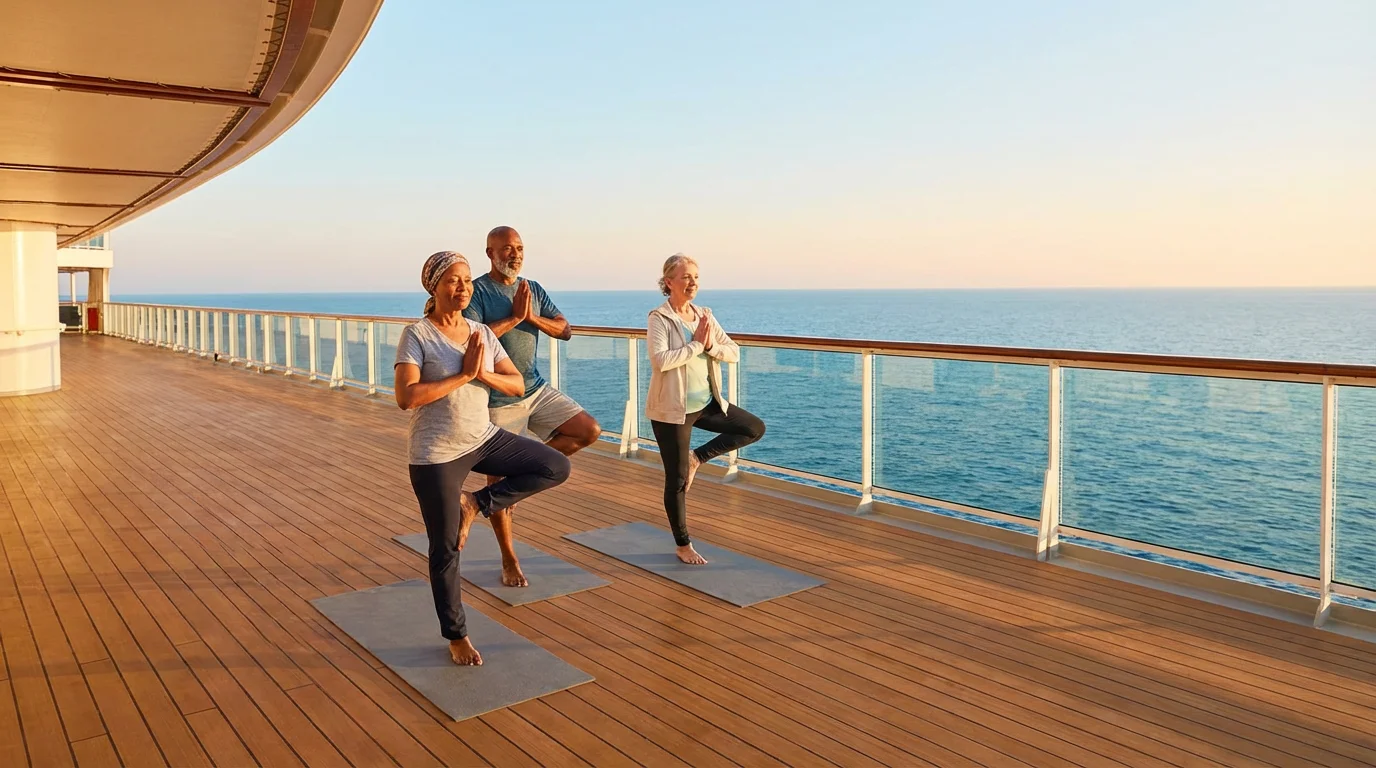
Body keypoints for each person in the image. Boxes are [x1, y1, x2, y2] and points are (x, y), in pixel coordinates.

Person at [395, 251, 571, 666]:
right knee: (445, 549)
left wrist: (483, 374)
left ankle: (477, 503)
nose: (463, 287)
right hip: (435, 453)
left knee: (554, 465)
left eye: (467, 281)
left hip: (483, 437)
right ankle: (456, 635)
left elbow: (513, 383)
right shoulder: (417, 334)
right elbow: (407, 398)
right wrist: (463, 375)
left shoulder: (480, 332)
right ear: (433, 287)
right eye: (453, 281)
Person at [463, 226, 600, 587]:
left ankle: (511, 483)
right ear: (489, 252)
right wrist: (515, 317)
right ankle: (509, 559)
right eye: (506, 248)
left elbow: (565, 329)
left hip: (535, 389)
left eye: (520, 248)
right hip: (497, 399)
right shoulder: (476, 291)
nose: (515, 254)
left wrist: (532, 317)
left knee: (588, 430)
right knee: (499, 482)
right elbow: (471, 339)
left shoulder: (532, 289)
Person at [645, 253, 765, 564]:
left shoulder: (705, 316)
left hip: (706, 403)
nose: (693, 282)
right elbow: (660, 361)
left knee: (753, 428)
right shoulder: (659, 319)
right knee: (677, 480)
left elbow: (733, 352)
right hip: (672, 411)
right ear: (669, 282)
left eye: (696, 277)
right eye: (686, 277)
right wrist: (697, 345)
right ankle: (682, 544)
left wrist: (710, 345)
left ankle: (698, 456)